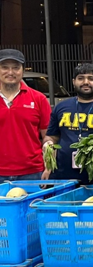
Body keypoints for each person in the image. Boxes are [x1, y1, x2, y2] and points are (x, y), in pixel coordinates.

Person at [0, 49, 51, 181]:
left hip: (32, 173)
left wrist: (49, 167)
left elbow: (49, 137)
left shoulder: (39, 99)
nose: (10, 72)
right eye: (5, 67)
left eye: (16, 68)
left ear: (23, 70)